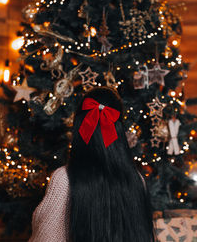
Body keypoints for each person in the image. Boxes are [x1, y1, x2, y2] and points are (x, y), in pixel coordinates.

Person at [29, 87, 155, 242]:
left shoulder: (64, 180)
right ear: (120, 129)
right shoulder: (137, 180)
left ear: (79, 125)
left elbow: (45, 238)